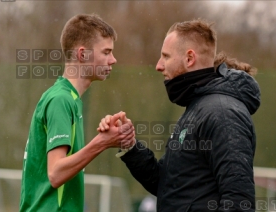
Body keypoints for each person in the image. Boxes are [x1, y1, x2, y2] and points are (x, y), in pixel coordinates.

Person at [98, 19, 260, 211]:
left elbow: (239, 201)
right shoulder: (198, 107)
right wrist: (129, 145)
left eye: (165, 56)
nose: (158, 65)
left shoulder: (223, 113)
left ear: (189, 58)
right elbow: (169, 186)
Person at [19, 14, 135, 212]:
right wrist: (102, 142)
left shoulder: (69, 99)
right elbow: (55, 173)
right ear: (83, 54)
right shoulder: (61, 100)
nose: (113, 60)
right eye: (106, 52)